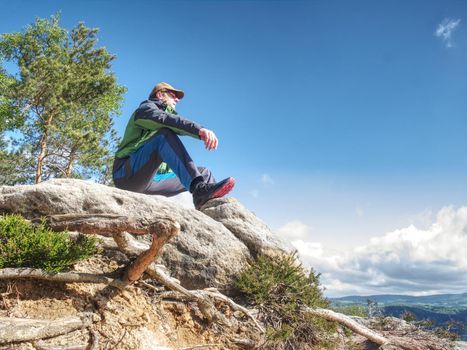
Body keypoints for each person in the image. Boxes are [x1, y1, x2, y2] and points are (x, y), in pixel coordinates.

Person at [112, 82, 235, 209]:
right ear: (160, 95)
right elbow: (166, 120)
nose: (177, 99)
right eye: (173, 95)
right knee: (163, 135)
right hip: (125, 176)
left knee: (204, 173)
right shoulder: (144, 111)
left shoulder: (164, 117)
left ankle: (213, 208)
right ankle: (198, 189)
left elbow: (170, 121)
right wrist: (199, 130)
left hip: (152, 180)